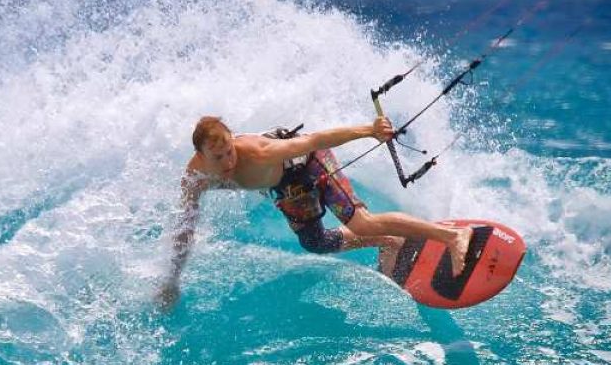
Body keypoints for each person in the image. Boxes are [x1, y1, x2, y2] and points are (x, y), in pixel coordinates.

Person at [156, 115, 473, 310]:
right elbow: (185, 228)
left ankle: (452, 236)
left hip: (310, 161)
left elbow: (316, 139)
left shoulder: (259, 152)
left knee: (361, 222)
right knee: (316, 242)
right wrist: (172, 280)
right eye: (219, 157)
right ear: (200, 155)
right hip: (287, 186)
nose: (228, 162)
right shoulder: (195, 178)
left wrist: (370, 130)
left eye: (230, 151)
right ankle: (390, 240)